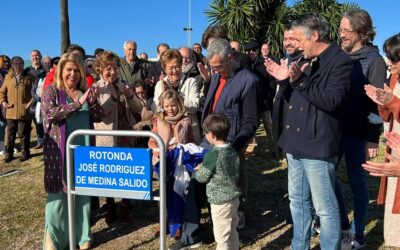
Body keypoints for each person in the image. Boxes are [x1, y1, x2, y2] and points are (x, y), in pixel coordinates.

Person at [265, 14, 353, 249]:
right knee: (298, 202)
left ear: (314, 36)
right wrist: (284, 82)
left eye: (300, 39)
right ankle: (299, 245)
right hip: (295, 143)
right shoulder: (303, 59)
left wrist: (299, 81)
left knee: (325, 208)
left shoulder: (340, 62)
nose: (298, 45)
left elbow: (332, 101)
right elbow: (293, 98)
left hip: (318, 145)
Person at [169, 38, 259, 250]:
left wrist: (232, 148)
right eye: (212, 66)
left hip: (228, 147)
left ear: (231, 57)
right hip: (207, 142)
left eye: (218, 66)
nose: (215, 70)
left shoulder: (248, 81)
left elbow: (250, 121)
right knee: (196, 186)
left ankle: (227, 236)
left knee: (221, 193)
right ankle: (191, 236)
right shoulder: (216, 77)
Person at [334, 9, 387, 250]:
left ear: (362, 32)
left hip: (359, 134)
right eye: (340, 30)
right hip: (334, 131)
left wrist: (373, 139)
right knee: (328, 178)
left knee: (357, 183)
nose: (341, 35)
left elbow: (377, 105)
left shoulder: (373, 60)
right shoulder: (340, 57)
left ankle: (359, 235)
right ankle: (345, 226)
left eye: (346, 30)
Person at [41, 52, 103, 250]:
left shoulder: (85, 90)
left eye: (77, 70)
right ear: (61, 71)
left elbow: (100, 115)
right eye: (69, 69)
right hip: (59, 151)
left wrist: (91, 101)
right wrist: (77, 104)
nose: (73, 74)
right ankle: (53, 239)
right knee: (58, 197)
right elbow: (50, 114)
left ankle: (84, 236)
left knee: (83, 194)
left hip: (84, 148)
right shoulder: (51, 90)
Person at [92, 50, 143, 224]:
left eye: (115, 68)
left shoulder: (124, 85)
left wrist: (129, 95)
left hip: (126, 134)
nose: (112, 72)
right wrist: (112, 99)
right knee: (108, 174)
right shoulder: (96, 88)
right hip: (107, 137)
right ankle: (111, 204)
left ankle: (125, 205)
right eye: (108, 68)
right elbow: (100, 115)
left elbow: (138, 109)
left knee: (126, 172)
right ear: (100, 69)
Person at [364, 32, 400, 248]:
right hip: (394, 147)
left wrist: (393, 102)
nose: (389, 63)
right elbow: (388, 116)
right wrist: (382, 102)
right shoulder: (394, 78)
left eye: (394, 59)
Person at [148, 90, 195, 239]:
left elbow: (191, 139)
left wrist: (188, 151)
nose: (170, 109)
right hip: (164, 160)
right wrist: (157, 153)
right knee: (165, 192)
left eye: (173, 105)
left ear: (178, 105)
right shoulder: (159, 121)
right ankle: (164, 220)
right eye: (166, 106)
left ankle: (178, 223)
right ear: (162, 106)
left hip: (180, 162)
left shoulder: (186, 120)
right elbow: (152, 140)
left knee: (179, 192)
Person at [194, 113, 240, 250]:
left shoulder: (212, 155)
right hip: (233, 198)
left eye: (206, 132)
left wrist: (198, 170)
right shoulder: (232, 150)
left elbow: (202, 177)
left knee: (222, 237)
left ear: (212, 135)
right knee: (232, 231)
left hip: (220, 202)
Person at [153, 49, 201, 144]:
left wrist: (176, 97)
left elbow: (194, 107)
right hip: (167, 138)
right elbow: (155, 108)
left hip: (189, 134)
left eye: (177, 67)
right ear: (164, 69)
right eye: (171, 68)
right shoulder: (160, 84)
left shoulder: (190, 82)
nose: (175, 71)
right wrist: (164, 97)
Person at [0, 56, 35, 163]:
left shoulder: (29, 77)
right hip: (10, 111)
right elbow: (2, 92)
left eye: (20, 63)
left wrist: (31, 103)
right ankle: (8, 154)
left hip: (24, 111)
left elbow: (36, 92)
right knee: (10, 134)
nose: (18, 65)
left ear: (23, 64)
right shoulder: (8, 77)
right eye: (15, 63)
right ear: (12, 65)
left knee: (23, 134)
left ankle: (25, 153)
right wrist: (3, 101)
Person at [26, 49, 46, 150]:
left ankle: (41, 141)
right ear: (31, 58)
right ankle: (26, 143)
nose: (35, 57)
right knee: (29, 124)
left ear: (40, 57)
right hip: (28, 102)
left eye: (37, 55)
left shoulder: (44, 70)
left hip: (40, 101)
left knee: (40, 122)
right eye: (33, 56)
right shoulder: (27, 71)